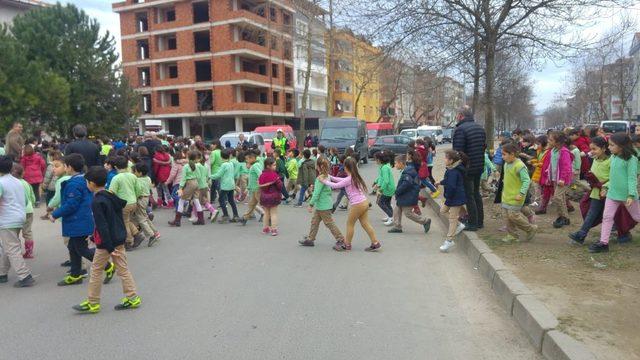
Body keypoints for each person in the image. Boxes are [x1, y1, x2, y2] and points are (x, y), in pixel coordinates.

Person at [72, 166, 141, 313]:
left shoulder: (97, 201)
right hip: (119, 237)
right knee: (123, 269)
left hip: (106, 243)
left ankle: (93, 302)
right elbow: (114, 216)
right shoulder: (111, 195)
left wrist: (108, 247)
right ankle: (132, 297)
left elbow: (102, 225)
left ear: (91, 183)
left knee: (96, 270)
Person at [50, 154, 115, 286]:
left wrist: (55, 214)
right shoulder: (84, 180)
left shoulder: (73, 184)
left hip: (78, 220)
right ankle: (75, 274)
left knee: (81, 248)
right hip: (83, 218)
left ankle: (107, 266)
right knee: (73, 247)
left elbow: (71, 204)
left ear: (69, 167)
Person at [589, 133, 640, 253]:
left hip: (627, 196)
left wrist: (631, 195)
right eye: (609, 145)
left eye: (612, 145)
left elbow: (632, 178)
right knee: (607, 217)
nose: (609, 148)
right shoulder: (613, 157)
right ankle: (603, 243)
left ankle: (604, 242)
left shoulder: (631, 159)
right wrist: (606, 187)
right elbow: (612, 177)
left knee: (637, 216)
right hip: (612, 194)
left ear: (622, 146)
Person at [321, 158, 381, 252]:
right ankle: (375, 243)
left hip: (357, 205)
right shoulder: (354, 176)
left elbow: (336, 185)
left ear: (346, 167)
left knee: (350, 224)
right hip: (364, 203)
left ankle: (347, 245)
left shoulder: (349, 178)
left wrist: (323, 181)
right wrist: (330, 177)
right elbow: (342, 180)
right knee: (365, 224)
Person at [569, 136, 611, 245]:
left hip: (608, 193)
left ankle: (622, 233)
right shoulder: (595, 159)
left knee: (612, 215)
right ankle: (581, 234)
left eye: (594, 149)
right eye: (590, 149)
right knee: (592, 213)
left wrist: (604, 186)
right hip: (596, 192)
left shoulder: (611, 161)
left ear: (604, 148)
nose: (591, 151)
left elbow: (614, 177)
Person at [0, 156, 34, 287]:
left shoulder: (1, 182)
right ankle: (2, 273)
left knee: (12, 247)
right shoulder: (18, 181)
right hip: (19, 217)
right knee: (8, 246)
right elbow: (26, 201)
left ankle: (25, 276)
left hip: (6, 219)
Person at [452, 106, 487, 231]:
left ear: (461, 116)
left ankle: (472, 223)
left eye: (457, 115)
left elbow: (457, 152)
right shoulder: (480, 128)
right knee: (476, 194)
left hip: (467, 168)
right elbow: (484, 147)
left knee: (469, 195)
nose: (456, 117)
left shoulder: (460, 129)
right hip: (479, 165)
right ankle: (479, 221)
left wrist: (455, 168)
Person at [299, 157, 345, 247]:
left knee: (329, 223)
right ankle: (310, 239)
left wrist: (311, 204)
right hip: (323, 204)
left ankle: (341, 239)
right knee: (314, 222)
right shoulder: (327, 176)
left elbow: (317, 193)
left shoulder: (320, 178)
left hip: (323, 206)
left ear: (318, 167)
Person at [499, 143, 537, 243]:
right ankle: (512, 235)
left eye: (504, 154)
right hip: (506, 196)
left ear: (512, 154)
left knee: (513, 215)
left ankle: (530, 229)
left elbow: (526, 181)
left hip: (517, 197)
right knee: (507, 217)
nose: (502, 157)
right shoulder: (506, 164)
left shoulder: (520, 165)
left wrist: (521, 193)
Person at [388, 155, 432, 234]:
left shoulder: (407, 172)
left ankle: (425, 221)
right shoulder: (407, 170)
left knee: (408, 213)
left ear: (401, 163)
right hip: (405, 195)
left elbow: (406, 184)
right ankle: (397, 226)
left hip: (408, 195)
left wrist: (397, 191)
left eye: (396, 163)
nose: (395, 165)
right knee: (397, 210)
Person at [109, 156, 146, 248]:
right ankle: (137, 234)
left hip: (123, 204)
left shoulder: (116, 178)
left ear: (116, 167)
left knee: (124, 222)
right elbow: (139, 189)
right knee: (126, 220)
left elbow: (111, 192)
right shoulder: (133, 176)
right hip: (133, 202)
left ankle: (129, 241)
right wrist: (135, 197)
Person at [541, 131, 573, 228]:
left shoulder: (563, 152)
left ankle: (563, 217)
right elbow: (551, 165)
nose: (548, 141)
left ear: (558, 142)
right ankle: (563, 218)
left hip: (563, 180)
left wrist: (563, 178)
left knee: (557, 197)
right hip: (555, 179)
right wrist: (548, 177)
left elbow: (567, 167)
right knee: (561, 198)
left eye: (551, 140)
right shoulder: (553, 151)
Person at [437, 150, 467, 252]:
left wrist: (448, 196)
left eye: (446, 158)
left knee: (452, 218)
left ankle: (449, 241)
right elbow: (448, 181)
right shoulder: (451, 169)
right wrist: (440, 182)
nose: (444, 160)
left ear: (451, 160)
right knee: (443, 211)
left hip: (456, 198)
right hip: (452, 197)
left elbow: (452, 186)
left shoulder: (454, 171)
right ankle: (459, 225)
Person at [168, 151, 202, 227]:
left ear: (188, 157)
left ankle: (177, 221)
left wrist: (180, 187)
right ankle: (201, 219)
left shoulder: (186, 166)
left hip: (189, 183)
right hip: (196, 182)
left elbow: (183, 178)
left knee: (181, 200)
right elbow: (199, 176)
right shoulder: (196, 165)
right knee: (196, 200)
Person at [132, 163, 160, 246]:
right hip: (146, 199)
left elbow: (138, 191)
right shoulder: (148, 178)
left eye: (135, 171)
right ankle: (155, 232)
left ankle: (151, 235)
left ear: (140, 173)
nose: (134, 173)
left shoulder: (138, 180)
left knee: (141, 219)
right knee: (145, 217)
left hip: (140, 199)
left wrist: (135, 198)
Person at [12, 164, 36, 259]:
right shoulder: (26, 183)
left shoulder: (13, 184)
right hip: (29, 210)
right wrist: (32, 204)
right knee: (27, 232)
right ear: (23, 173)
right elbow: (32, 196)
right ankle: (29, 252)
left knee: (15, 233)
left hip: (17, 210)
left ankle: (16, 252)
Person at [211, 149, 240, 223]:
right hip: (231, 184)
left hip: (225, 185)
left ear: (221, 157)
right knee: (231, 200)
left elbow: (218, 175)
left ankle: (226, 215)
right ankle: (236, 215)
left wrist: (210, 176)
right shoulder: (230, 163)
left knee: (221, 200)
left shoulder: (224, 165)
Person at [258, 157, 283, 236]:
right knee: (274, 213)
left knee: (266, 213)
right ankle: (274, 230)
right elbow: (279, 186)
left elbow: (260, 185)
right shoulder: (274, 175)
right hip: (274, 197)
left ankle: (265, 229)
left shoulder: (262, 175)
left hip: (264, 196)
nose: (275, 167)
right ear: (268, 166)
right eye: (274, 165)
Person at [239, 150, 264, 225]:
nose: (246, 161)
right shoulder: (255, 165)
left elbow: (260, 174)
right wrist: (248, 188)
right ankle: (245, 218)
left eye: (247, 159)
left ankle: (269, 216)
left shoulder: (255, 166)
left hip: (257, 189)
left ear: (252, 158)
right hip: (253, 189)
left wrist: (260, 183)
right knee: (251, 204)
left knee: (263, 204)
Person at [373, 151, 395, 226]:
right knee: (387, 203)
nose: (375, 161)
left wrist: (381, 189)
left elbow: (386, 180)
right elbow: (381, 177)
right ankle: (390, 216)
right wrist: (376, 182)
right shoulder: (384, 166)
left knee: (380, 202)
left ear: (379, 160)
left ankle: (391, 217)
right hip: (389, 188)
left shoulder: (384, 168)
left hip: (387, 188)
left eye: (376, 159)